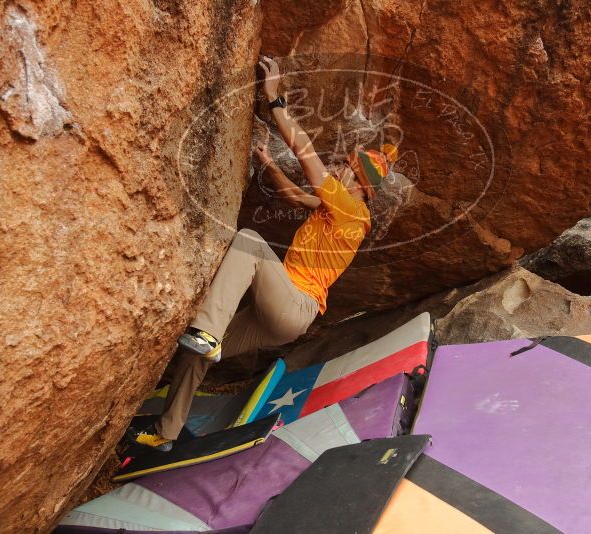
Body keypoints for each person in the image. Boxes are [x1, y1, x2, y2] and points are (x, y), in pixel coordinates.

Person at [134, 56, 398, 450]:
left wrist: (274, 99)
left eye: (344, 165)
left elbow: (305, 153)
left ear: (357, 182)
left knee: (251, 241)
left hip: (295, 304)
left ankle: (207, 331)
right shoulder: (337, 210)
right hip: (275, 314)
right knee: (198, 357)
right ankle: (165, 435)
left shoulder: (351, 209)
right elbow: (297, 195)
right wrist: (270, 165)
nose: (338, 167)